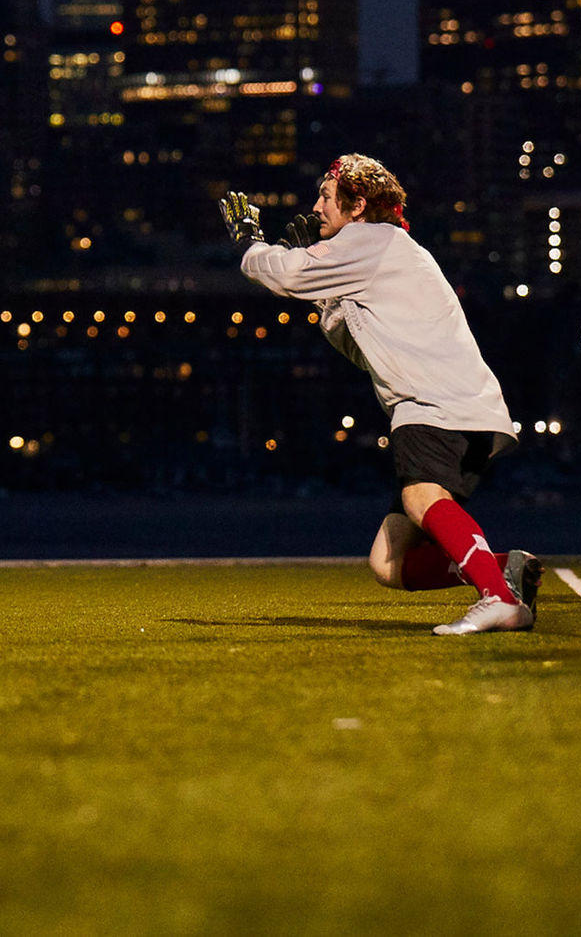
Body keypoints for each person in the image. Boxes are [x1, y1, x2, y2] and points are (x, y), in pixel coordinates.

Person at [218, 153, 543, 635]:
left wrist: (251, 243)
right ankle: (503, 570)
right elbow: (355, 342)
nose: (316, 206)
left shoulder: (372, 240)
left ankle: (498, 598)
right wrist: (317, 283)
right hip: (453, 405)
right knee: (388, 564)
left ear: (357, 206)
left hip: (435, 404)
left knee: (419, 497)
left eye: (326, 197)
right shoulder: (380, 253)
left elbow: (284, 275)